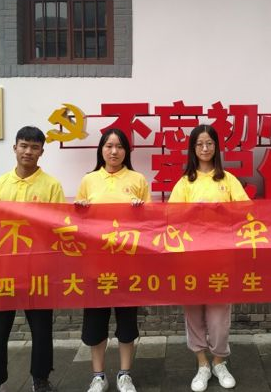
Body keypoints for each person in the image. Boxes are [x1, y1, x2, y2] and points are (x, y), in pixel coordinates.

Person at [0, 125, 65, 392]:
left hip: (38, 270)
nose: (28, 151)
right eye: (24, 146)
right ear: (15, 148)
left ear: (42, 152)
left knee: (41, 329)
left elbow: (61, 225)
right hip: (3, 269)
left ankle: (40, 379)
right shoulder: (0, 184)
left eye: (34, 147)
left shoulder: (51, 186)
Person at [168, 124, 249, 392]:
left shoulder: (228, 180)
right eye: (200, 144)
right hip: (190, 258)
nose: (205, 148)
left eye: (210, 143)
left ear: (216, 147)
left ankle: (219, 361)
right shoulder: (185, 182)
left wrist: (222, 211)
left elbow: (246, 211)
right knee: (193, 313)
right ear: (193, 148)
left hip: (222, 257)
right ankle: (202, 363)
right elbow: (171, 217)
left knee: (219, 316)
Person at [74, 128, 151, 392]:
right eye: (109, 146)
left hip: (128, 264)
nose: (114, 151)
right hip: (96, 264)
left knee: (127, 323)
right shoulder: (89, 180)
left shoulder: (138, 179)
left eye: (119, 146)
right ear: (101, 150)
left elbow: (150, 224)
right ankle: (98, 376)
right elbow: (77, 225)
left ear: (127, 151)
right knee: (95, 323)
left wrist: (141, 211)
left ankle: (124, 374)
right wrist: (80, 211)